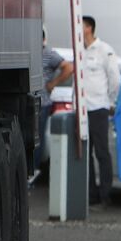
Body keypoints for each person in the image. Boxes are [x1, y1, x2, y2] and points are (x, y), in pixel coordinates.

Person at [81, 15, 121, 207]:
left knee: (102, 152)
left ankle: (106, 194)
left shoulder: (104, 50)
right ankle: (91, 194)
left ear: (89, 28)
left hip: (99, 108)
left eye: (81, 26)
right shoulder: (79, 51)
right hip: (83, 110)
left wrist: (110, 101)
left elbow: (114, 79)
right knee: (85, 153)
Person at [36, 29, 74, 183]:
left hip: (42, 102)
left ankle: (35, 170)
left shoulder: (49, 53)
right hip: (30, 101)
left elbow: (69, 67)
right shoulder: (29, 53)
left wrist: (53, 83)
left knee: (37, 138)